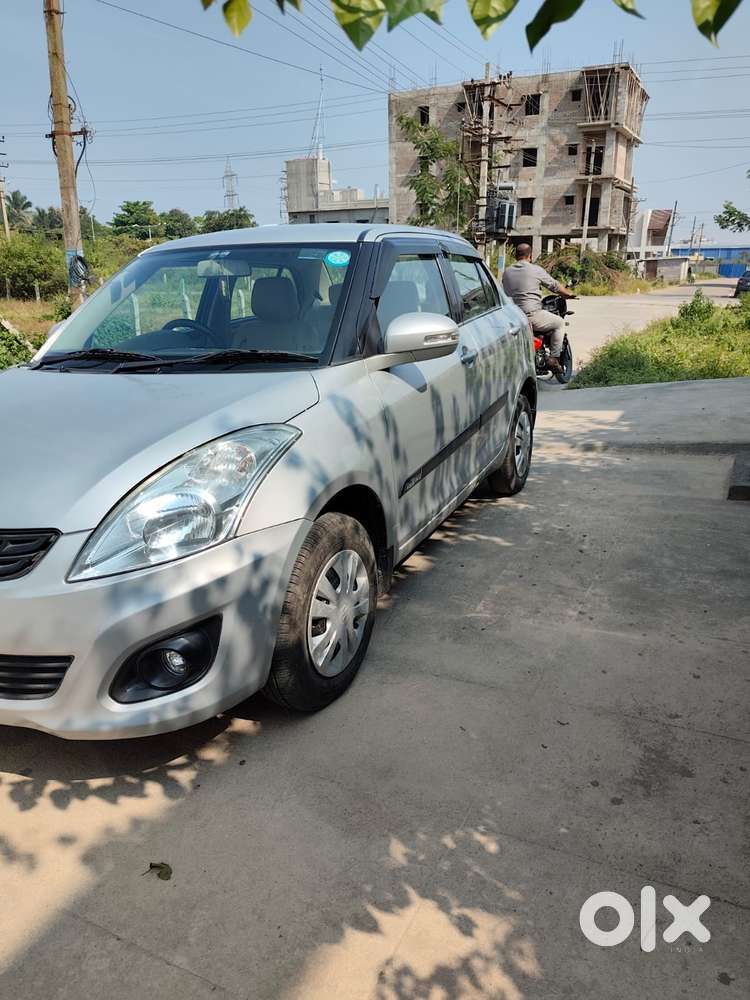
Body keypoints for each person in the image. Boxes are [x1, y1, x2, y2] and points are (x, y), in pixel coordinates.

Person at [502, 243, 575, 374]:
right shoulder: (535, 269)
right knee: (559, 323)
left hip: (512, 317)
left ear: (515, 255)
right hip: (531, 315)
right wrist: (568, 295)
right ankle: (554, 358)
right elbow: (554, 286)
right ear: (530, 256)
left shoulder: (507, 272)